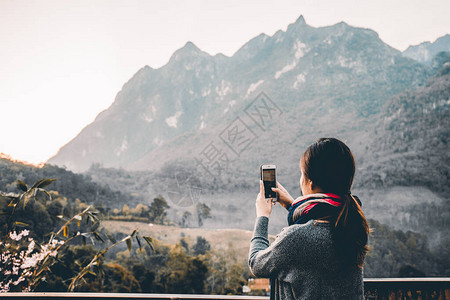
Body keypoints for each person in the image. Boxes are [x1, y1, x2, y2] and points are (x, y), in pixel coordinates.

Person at [248, 138, 369, 299]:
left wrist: (262, 215)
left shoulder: (295, 238)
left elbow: (257, 263)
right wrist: (292, 206)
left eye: (302, 174)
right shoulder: (353, 226)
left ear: (309, 182)